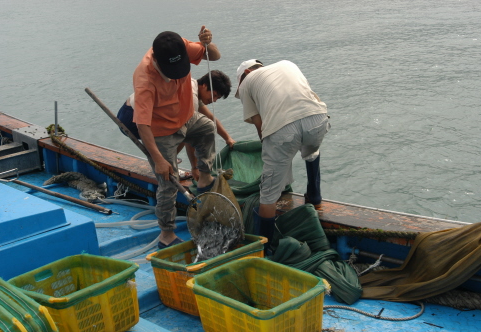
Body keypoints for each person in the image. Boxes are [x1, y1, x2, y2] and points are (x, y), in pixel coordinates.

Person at [117, 27, 221, 249]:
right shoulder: (145, 78)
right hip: (159, 129)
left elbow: (214, 56)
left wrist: (207, 43)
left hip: (185, 117)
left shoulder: (179, 46)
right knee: (168, 181)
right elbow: (142, 124)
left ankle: (204, 178)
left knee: (207, 128)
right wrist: (159, 159)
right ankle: (166, 233)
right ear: (158, 61)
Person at [235, 59, 330, 241]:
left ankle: (266, 247)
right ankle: (315, 197)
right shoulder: (288, 64)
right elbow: (308, 97)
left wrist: (271, 158)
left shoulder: (247, 82)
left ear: (246, 73)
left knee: (268, 195)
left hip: (284, 132)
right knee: (310, 151)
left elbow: (260, 127)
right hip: (318, 121)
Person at [178, 70, 235, 181]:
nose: (213, 100)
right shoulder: (191, 97)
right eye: (214, 95)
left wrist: (228, 138)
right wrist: (195, 168)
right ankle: (166, 161)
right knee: (198, 129)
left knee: (205, 124)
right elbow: (189, 135)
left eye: (217, 98)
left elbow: (210, 117)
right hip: (144, 119)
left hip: (142, 113)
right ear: (204, 85)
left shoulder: (193, 86)